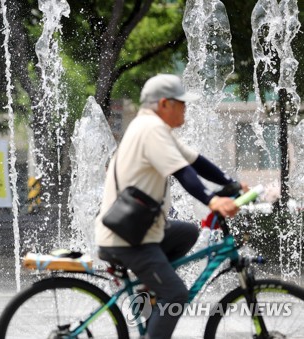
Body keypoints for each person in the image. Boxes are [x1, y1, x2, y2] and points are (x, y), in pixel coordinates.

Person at [95, 74, 246, 339]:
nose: (185, 109)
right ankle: (158, 294)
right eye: (181, 103)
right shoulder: (150, 129)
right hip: (128, 238)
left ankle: (149, 285)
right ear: (164, 104)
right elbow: (183, 172)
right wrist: (213, 200)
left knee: (187, 232)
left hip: (139, 229)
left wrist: (231, 183)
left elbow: (196, 162)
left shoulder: (156, 129)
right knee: (176, 293)